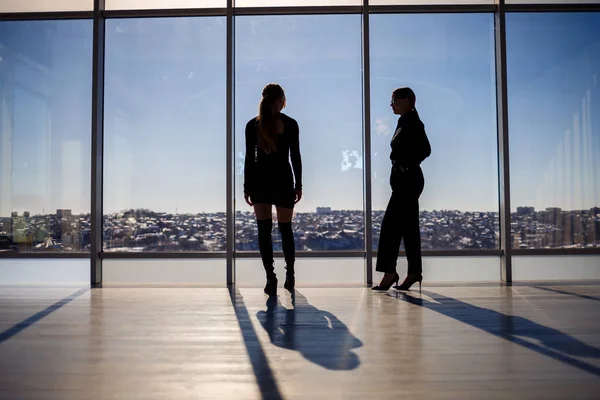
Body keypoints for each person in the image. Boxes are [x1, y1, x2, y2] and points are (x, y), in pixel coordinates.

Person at [244, 83, 302, 296]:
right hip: (283, 181)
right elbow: (295, 156)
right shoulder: (290, 124)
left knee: (264, 231)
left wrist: (246, 187)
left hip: (260, 182)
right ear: (281, 100)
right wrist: (299, 185)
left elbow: (250, 159)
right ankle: (290, 274)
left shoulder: (252, 125)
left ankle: (270, 277)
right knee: (286, 230)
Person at [372, 87, 431, 292]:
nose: (391, 104)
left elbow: (426, 149)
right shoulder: (404, 121)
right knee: (407, 228)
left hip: (408, 180)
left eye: (394, 100)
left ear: (406, 101)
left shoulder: (413, 122)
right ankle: (413, 272)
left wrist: (406, 165)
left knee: (390, 227)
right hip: (405, 180)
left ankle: (391, 272)